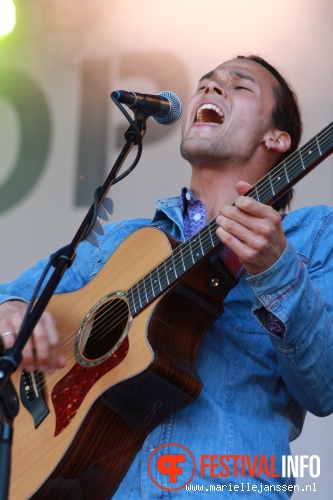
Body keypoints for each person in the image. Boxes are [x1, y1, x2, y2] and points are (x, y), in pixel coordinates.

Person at [1, 55, 333, 499]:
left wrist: (277, 269)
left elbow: (324, 387)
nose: (212, 89)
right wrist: (15, 310)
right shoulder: (128, 240)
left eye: (239, 86)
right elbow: (22, 295)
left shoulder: (312, 236)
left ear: (277, 138)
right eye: (206, 83)